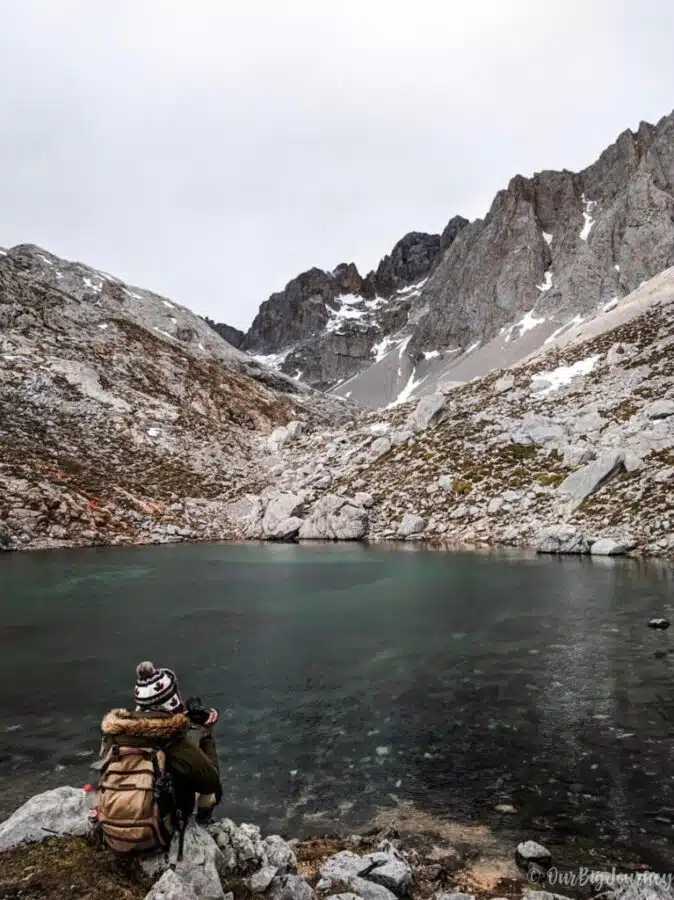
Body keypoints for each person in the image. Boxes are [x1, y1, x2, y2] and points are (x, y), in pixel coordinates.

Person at [100, 661, 222, 827]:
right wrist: (206, 735)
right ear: (173, 699)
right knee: (213, 788)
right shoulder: (171, 738)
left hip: (113, 819)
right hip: (157, 824)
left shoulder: (114, 733)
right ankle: (203, 822)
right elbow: (211, 780)